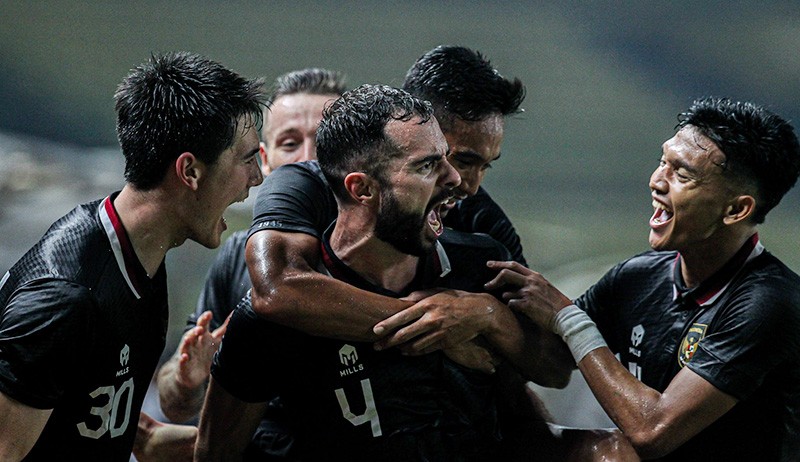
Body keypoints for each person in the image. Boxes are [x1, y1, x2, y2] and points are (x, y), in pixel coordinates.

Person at [195, 84, 563, 461]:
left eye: (446, 159)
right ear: (363, 189)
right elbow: (213, 453)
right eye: (427, 165)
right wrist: (434, 326)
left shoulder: (482, 260)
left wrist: (488, 315)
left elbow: (555, 371)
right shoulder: (269, 314)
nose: (456, 180)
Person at [485, 97, 800, 461]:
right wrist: (483, 317)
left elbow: (653, 430)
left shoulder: (768, 304)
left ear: (736, 209)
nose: (656, 181)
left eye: (681, 175)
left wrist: (568, 316)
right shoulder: (639, 277)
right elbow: (551, 361)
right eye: (663, 162)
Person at [0, 51, 265, 461]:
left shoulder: (141, 254)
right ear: (190, 172)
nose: (257, 178)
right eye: (247, 159)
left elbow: (121, 434)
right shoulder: (66, 299)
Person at [245, 45, 547, 373]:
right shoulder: (303, 184)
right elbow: (277, 289)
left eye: (484, 166)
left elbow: (549, 367)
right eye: (449, 159)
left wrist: (488, 314)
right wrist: (439, 327)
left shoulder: (479, 221)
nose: (466, 183)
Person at [155, 68, 346, 458]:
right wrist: (189, 377)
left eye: (325, 142)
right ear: (265, 161)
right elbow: (174, 404)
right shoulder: (237, 256)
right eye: (290, 143)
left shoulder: (391, 256)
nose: (308, 159)